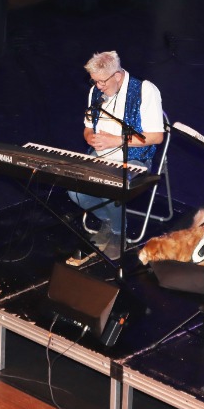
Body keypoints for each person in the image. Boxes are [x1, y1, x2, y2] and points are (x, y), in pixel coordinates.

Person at [69, 51, 164, 259]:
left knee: (108, 186)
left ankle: (118, 233)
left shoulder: (144, 90)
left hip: (135, 158)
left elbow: (157, 137)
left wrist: (117, 140)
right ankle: (110, 221)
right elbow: (87, 127)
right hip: (101, 156)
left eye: (102, 82)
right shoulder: (95, 91)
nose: (98, 86)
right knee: (74, 190)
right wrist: (90, 137)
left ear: (118, 76)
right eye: (94, 81)